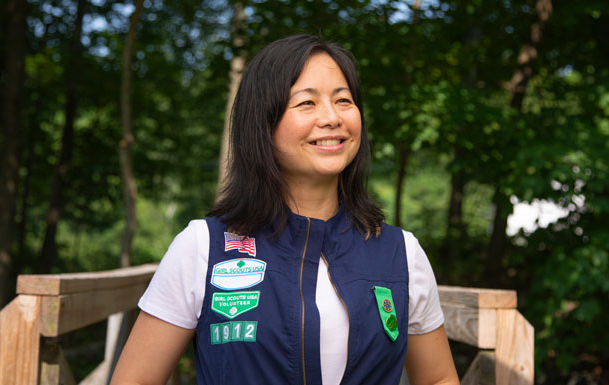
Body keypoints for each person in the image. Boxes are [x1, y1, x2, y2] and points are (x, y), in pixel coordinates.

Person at [111, 34, 459, 385]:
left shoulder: (401, 253)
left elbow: (438, 378)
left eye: (344, 100)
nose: (332, 117)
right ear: (264, 122)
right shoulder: (204, 247)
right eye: (306, 103)